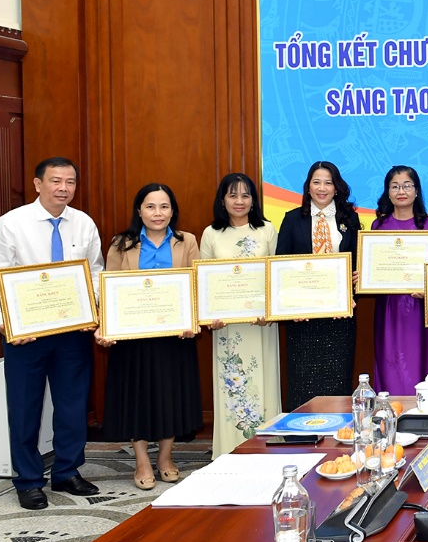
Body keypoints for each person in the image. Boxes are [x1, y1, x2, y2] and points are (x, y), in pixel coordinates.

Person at [0, 157, 103, 510]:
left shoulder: (84, 223)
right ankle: (28, 480)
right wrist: (5, 324)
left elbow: (95, 273)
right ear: (38, 184)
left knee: (72, 405)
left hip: (72, 332)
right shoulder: (12, 224)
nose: (63, 188)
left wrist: (94, 311)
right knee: (24, 409)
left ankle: (67, 471)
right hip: (26, 335)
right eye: (55, 181)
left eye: (70, 182)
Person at [98, 183, 203, 490]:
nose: (158, 213)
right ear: (139, 211)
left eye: (164, 206)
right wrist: (105, 327)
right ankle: (142, 460)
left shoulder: (187, 241)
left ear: (172, 211)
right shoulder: (121, 243)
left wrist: (192, 319)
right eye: (151, 206)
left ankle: (165, 457)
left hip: (175, 335)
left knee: (171, 396)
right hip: (133, 338)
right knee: (137, 397)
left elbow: (196, 285)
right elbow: (109, 289)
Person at [200, 173, 281, 457]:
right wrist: (209, 317)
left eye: (245, 195)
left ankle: (267, 449)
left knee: (263, 382)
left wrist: (270, 311)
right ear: (222, 200)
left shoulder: (267, 230)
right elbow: (204, 282)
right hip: (227, 328)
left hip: (261, 324)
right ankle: (229, 451)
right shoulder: (211, 234)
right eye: (232, 195)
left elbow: (277, 275)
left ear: (253, 200)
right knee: (232, 389)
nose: (239, 201)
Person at [276, 161, 361, 411]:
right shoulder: (292, 219)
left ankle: (338, 432)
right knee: (302, 385)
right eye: (316, 182)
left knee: (337, 383)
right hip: (303, 319)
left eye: (328, 182)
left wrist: (358, 281)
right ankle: (300, 433)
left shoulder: (350, 218)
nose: (322, 188)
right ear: (308, 186)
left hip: (339, 318)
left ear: (336, 187)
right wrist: (289, 308)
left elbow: (358, 261)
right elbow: (281, 267)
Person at [371, 165, 428, 394]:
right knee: (388, 364)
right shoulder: (378, 226)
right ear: (388, 192)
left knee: (419, 364)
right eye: (395, 186)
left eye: (407, 186)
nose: (401, 191)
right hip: (388, 308)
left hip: (419, 309)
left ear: (416, 191)